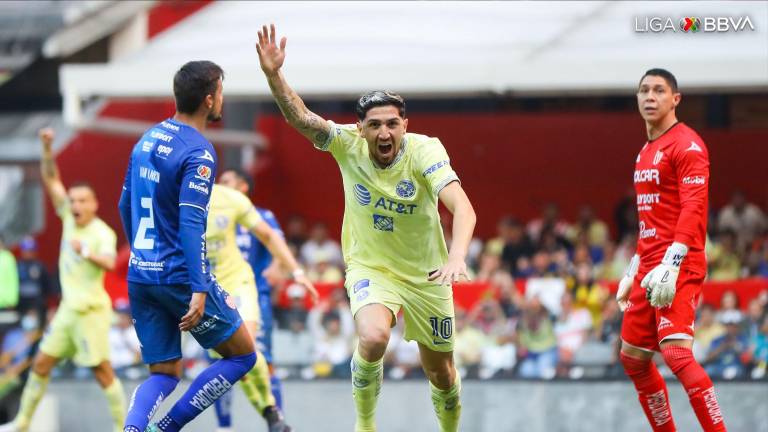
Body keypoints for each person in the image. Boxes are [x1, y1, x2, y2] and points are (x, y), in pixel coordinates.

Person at [257, 24, 477, 432]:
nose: (384, 133)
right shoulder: (346, 144)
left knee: (441, 373)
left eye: (392, 124)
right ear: (360, 129)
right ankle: (365, 424)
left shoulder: (426, 151)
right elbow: (302, 119)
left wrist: (458, 255)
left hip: (428, 274)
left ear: (405, 126)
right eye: (374, 125)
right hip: (370, 267)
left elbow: (462, 208)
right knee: (374, 337)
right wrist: (274, 75)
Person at [118, 60, 257, 432]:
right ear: (209, 100)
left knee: (164, 373)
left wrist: (142, 255)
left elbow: (123, 203)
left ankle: (132, 429)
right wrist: (198, 287)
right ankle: (166, 429)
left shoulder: (146, 138)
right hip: (179, 276)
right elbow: (192, 222)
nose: (222, 99)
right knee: (243, 356)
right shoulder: (199, 151)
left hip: (141, 273)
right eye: (222, 93)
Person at [615, 68, 726, 431]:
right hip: (648, 265)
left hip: (679, 263)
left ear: (675, 99)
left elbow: (694, 207)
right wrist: (633, 269)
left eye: (659, 91)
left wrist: (673, 261)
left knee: (676, 353)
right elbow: (650, 218)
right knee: (632, 358)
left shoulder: (687, 145)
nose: (650, 97)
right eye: (644, 90)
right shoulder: (644, 153)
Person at [0, 129, 126, 432]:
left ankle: (125, 427)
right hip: (68, 312)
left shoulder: (101, 233)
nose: (76, 206)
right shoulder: (69, 219)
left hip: (91, 313)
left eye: (82, 200)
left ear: (94, 203)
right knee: (41, 364)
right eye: (73, 200)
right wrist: (46, 148)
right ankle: (23, 423)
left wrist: (86, 253)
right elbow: (51, 179)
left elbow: (109, 262)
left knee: (103, 371)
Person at [205, 181, 317, 432]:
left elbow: (272, 238)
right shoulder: (178, 203)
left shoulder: (242, 207)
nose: (225, 184)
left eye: (230, 180)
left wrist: (291, 270)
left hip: (243, 287)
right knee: (229, 362)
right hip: (205, 292)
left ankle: (276, 419)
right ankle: (255, 416)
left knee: (249, 350)